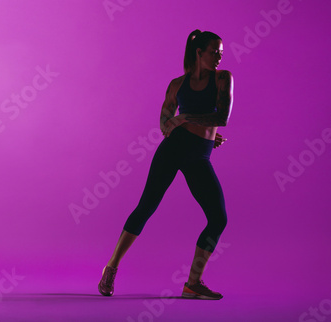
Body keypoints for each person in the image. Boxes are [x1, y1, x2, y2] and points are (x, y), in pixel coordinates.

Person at [98, 29, 234, 300]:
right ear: (199, 52)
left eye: (221, 53)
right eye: (213, 52)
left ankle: (192, 284)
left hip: (198, 155)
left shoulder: (222, 79)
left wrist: (186, 120)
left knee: (218, 218)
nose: (219, 57)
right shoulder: (176, 85)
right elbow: (164, 123)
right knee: (146, 207)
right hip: (173, 149)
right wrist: (183, 125)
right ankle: (110, 268)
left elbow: (222, 117)